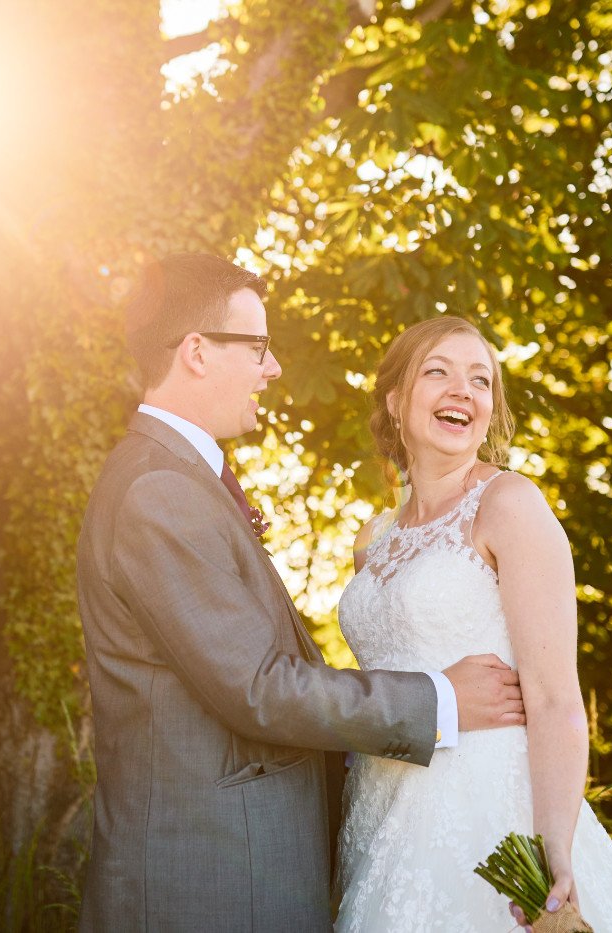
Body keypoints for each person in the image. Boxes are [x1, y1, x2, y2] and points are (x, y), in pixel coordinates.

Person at [75, 254, 527, 932]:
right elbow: (257, 686)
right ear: (196, 352)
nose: (273, 367)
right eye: (257, 346)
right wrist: (441, 699)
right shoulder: (158, 490)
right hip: (204, 882)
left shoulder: (177, 476)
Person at [333, 315, 612, 931]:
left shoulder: (509, 504)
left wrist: (554, 849)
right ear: (396, 400)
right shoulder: (370, 539)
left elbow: (556, 695)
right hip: (380, 810)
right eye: (439, 372)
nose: (463, 391)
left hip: (487, 812)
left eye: (480, 380)